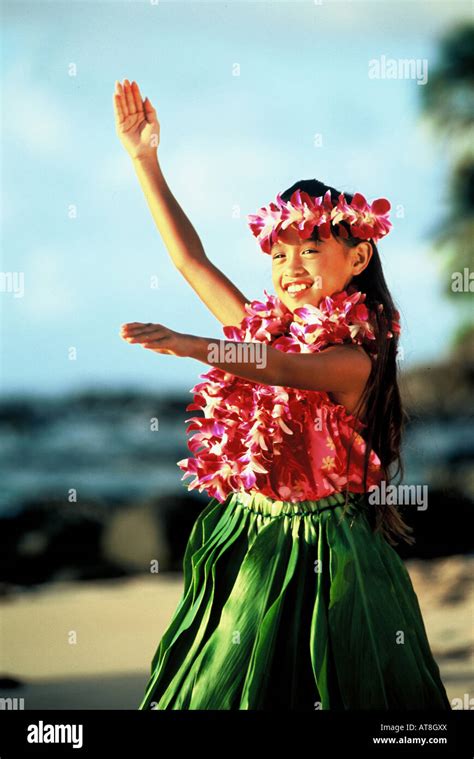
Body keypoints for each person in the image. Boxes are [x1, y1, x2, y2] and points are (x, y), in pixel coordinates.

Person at [113, 79, 451, 711]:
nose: (291, 266)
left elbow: (282, 369)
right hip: (243, 533)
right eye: (279, 254)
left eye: (311, 249)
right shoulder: (262, 326)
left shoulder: (356, 360)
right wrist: (145, 160)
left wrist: (195, 346)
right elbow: (192, 263)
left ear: (358, 258)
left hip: (326, 554)